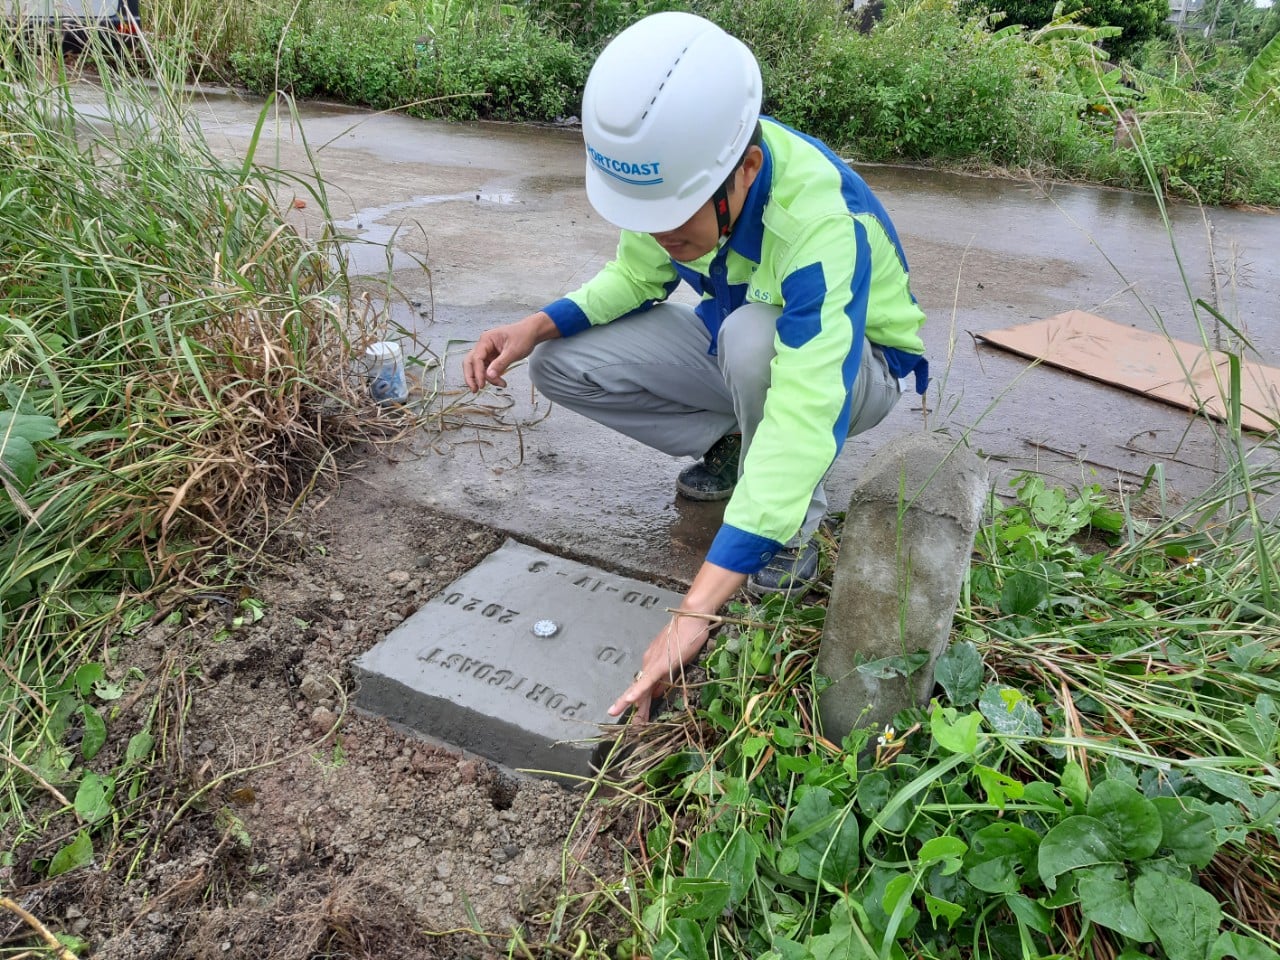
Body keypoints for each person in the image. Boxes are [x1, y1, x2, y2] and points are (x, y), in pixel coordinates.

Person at [462, 11, 928, 723]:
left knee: (751, 340)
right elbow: (633, 279)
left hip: (856, 371)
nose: (664, 240)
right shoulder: (680, 184)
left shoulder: (819, 223)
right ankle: (736, 441)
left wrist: (695, 611)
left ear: (744, 170)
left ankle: (791, 522)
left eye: (679, 228)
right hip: (746, 345)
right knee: (559, 365)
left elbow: (807, 411)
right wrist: (535, 324)